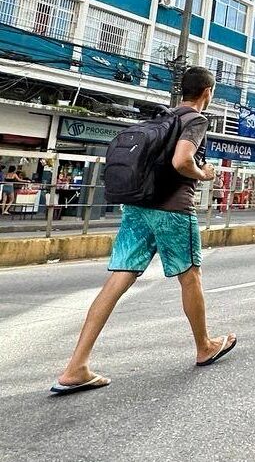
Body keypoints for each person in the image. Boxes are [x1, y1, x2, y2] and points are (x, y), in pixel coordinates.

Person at [51, 66, 235, 395]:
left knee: (116, 282)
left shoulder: (163, 117)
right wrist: (203, 174)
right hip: (173, 211)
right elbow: (182, 161)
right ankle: (205, 346)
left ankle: (76, 366)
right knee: (190, 277)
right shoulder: (195, 120)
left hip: (138, 209)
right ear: (208, 92)